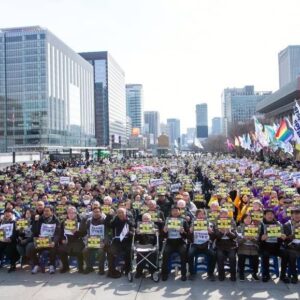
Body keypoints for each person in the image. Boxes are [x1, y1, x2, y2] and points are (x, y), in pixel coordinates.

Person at [79, 206, 112, 275]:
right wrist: (86, 242)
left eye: (98, 212)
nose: (96, 213)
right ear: (92, 213)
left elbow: (107, 234)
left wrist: (104, 243)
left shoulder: (104, 221)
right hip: (92, 242)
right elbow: (86, 233)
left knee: (101, 251)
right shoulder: (89, 221)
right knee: (85, 250)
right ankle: (89, 267)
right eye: (94, 212)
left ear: (101, 212)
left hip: (101, 242)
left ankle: (101, 268)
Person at [259, 208, 289, 283]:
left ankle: (283, 275)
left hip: (276, 246)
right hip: (265, 246)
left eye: (271, 214)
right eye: (268, 214)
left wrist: (283, 237)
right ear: (264, 215)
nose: (270, 216)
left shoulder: (278, 224)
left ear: (274, 215)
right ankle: (266, 274)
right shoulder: (261, 224)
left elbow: (283, 238)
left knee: (285, 254)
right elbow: (258, 237)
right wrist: (261, 238)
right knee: (265, 255)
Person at [30, 205, 61, 274]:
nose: (45, 212)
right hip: (41, 240)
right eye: (44, 211)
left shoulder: (56, 220)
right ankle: (36, 265)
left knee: (53, 249)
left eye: (47, 211)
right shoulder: (40, 219)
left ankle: (52, 265)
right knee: (31, 248)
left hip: (51, 240)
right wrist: (36, 221)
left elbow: (57, 233)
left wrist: (54, 242)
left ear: (52, 212)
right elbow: (34, 231)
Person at [187, 209, 216, 281]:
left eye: (202, 214)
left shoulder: (209, 224)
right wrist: (190, 232)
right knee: (190, 254)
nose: (201, 216)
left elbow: (214, 236)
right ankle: (192, 273)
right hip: (195, 245)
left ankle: (210, 273)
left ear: (205, 215)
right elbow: (188, 237)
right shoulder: (193, 223)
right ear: (196, 216)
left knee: (213, 255)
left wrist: (211, 232)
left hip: (206, 245)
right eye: (199, 214)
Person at [161, 206, 189, 281]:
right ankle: (164, 273)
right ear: (171, 212)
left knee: (183, 253)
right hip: (170, 242)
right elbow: (162, 235)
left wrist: (183, 232)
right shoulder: (167, 220)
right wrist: (164, 231)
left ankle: (183, 274)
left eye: (177, 211)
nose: (175, 212)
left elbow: (188, 235)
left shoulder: (183, 220)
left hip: (180, 242)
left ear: (179, 212)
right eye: (173, 211)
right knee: (165, 253)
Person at [107, 207, 135, 278]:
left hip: (127, 240)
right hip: (117, 240)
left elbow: (133, 227)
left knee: (129, 250)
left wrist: (130, 232)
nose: (120, 214)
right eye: (119, 213)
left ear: (125, 213)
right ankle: (112, 270)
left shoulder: (129, 220)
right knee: (110, 251)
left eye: (122, 212)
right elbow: (108, 225)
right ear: (117, 214)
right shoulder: (115, 220)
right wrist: (109, 215)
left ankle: (128, 269)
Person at [58, 206, 84, 273]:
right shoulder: (63, 222)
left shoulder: (80, 221)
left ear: (76, 213)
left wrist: (76, 232)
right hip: (67, 240)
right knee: (61, 249)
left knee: (79, 248)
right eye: (69, 213)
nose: (71, 214)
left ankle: (81, 267)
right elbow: (60, 233)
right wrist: (63, 239)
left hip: (77, 240)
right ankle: (65, 267)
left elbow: (84, 233)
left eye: (73, 213)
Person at [215, 208, 238, 281]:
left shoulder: (231, 221)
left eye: (226, 214)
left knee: (232, 257)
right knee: (220, 256)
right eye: (222, 214)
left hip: (231, 244)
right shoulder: (217, 221)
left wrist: (228, 232)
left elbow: (234, 236)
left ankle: (233, 275)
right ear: (220, 214)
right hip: (220, 244)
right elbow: (216, 236)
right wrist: (221, 232)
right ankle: (221, 275)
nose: (224, 215)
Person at [237, 213, 260, 281]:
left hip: (253, 247)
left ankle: (254, 273)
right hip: (243, 246)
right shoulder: (239, 228)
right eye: (246, 218)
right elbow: (238, 241)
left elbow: (258, 241)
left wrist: (252, 238)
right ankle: (241, 272)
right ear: (243, 219)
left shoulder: (255, 227)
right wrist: (245, 238)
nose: (248, 220)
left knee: (256, 257)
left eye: (249, 218)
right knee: (241, 256)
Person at [134, 213, 158, 279]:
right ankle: (139, 271)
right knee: (139, 255)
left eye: (147, 219)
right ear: (142, 219)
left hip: (151, 244)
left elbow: (157, 238)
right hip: (141, 244)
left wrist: (155, 233)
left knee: (152, 254)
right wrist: (137, 233)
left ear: (150, 219)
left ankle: (153, 271)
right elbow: (135, 238)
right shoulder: (139, 226)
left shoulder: (154, 226)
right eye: (144, 219)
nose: (146, 220)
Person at [283, 207, 300, 284]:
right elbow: (286, 239)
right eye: (295, 214)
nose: (297, 216)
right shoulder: (287, 225)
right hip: (292, 245)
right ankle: (294, 276)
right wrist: (295, 230)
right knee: (291, 255)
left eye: (298, 214)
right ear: (291, 215)